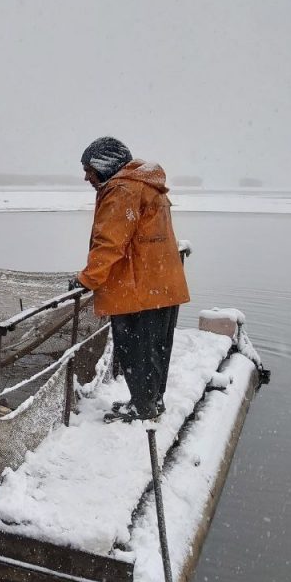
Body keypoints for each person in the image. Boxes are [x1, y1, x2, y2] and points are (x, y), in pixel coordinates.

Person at [71, 137, 190, 423]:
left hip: (137, 290)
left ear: (105, 164)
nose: (86, 176)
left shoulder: (122, 189)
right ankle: (151, 402)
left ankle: (143, 408)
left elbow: (110, 243)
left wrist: (86, 280)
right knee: (156, 352)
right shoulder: (147, 184)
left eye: (89, 168)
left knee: (135, 353)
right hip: (162, 285)